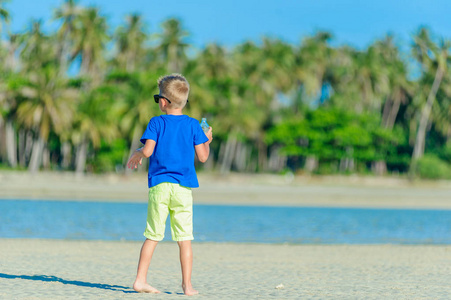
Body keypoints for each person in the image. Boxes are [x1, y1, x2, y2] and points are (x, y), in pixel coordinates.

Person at [126, 74, 213, 296]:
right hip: (183, 188)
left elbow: (147, 151)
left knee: (153, 235)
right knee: (184, 239)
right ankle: (187, 286)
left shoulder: (156, 122)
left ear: (164, 102)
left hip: (159, 186)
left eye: (157, 99)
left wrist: (137, 153)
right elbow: (203, 157)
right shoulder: (194, 125)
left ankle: (140, 280)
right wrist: (207, 140)